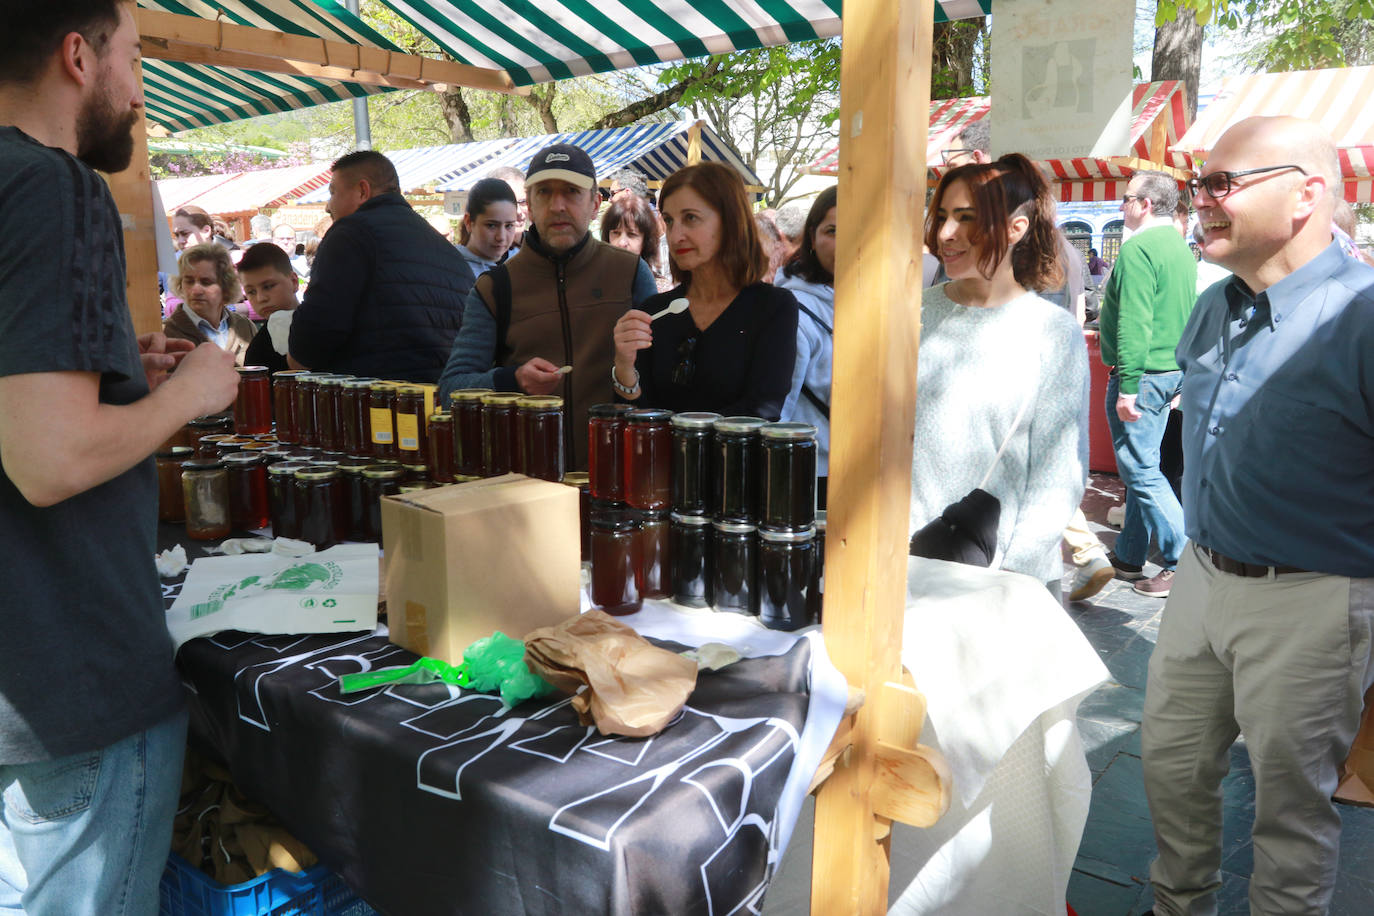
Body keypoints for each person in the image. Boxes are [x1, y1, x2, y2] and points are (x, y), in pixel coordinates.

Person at [0, 4, 241, 912]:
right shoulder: (53, 186)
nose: (139, 92)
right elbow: (46, 459)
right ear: (77, 56)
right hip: (72, 678)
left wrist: (107, 369)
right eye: (134, 57)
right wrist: (189, 395)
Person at [1142, 115, 1374, 916]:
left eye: (1221, 183)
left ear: (1307, 194)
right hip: (1202, 578)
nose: (1199, 200)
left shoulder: (1364, 318)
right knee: (1170, 771)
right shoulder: (1216, 308)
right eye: (1197, 184)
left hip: (1312, 598)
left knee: (1288, 815)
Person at [913, 154, 1088, 587]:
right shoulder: (912, 313)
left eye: (967, 217)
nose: (946, 233)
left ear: (1016, 228)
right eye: (942, 216)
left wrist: (1012, 577)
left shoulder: (1051, 333)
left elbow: (1058, 474)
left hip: (1003, 580)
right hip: (906, 565)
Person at [439, 143, 657, 469]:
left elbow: (659, 380)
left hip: (619, 477)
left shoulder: (629, 273)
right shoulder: (495, 288)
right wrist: (512, 380)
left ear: (595, 202)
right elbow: (450, 392)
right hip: (528, 485)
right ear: (529, 204)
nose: (557, 205)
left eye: (571, 191)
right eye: (544, 192)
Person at [611, 161, 799, 421]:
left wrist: (679, 434)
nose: (676, 235)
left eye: (690, 218)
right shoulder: (655, 311)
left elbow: (763, 409)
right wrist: (624, 367)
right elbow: (633, 417)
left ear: (730, 221)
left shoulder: (772, 306)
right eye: (669, 220)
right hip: (661, 462)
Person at [288, 150, 475, 382]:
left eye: (333, 192)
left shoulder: (350, 234)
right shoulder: (447, 250)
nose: (328, 206)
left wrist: (296, 352)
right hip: (442, 402)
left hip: (375, 404)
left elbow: (313, 339)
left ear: (362, 191)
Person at [1098, 170, 1198, 597]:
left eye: (1126, 198)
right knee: (1146, 468)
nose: (1121, 206)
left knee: (1140, 469)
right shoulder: (1177, 247)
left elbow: (1133, 322)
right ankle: (1130, 554)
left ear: (1146, 204)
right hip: (1168, 372)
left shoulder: (1139, 249)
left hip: (1142, 375)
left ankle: (1183, 561)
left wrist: (1127, 386)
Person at [778, 186, 837, 505]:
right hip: (810, 475)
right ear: (811, 238)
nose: (845, 241)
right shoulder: (796, 310)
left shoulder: (878, 301)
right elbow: (779, 408)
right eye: (832, 230)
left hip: (863, 470)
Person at [163, 243, 256, 365]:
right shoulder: (166, 333)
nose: (196, 290)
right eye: (189, 281)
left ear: (226, 286)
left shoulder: (244, 327)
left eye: (206, 282)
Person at [239, 242, 300, 374]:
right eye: (251, 292)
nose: (261, 298)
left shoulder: (322, 326)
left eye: (268, 286)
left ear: (294, 282)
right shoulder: (258, 348)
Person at [599, 192, 669, 290]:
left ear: (646, 240)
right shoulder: (591, 285)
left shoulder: (661, 290)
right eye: (616, 233)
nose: (622, 243)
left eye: (631, 234)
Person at [456, 177, 520, 279]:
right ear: (469, 222)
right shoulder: (451, 270)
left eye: (509, 225)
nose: (501, 237)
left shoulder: (523, 266)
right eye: (492, 225)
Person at [171, 204, 237, 252]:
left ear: (206, 231)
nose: (180, 241)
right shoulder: (175, 264)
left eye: (185, 233)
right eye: (177, 235)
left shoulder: (233, 260)